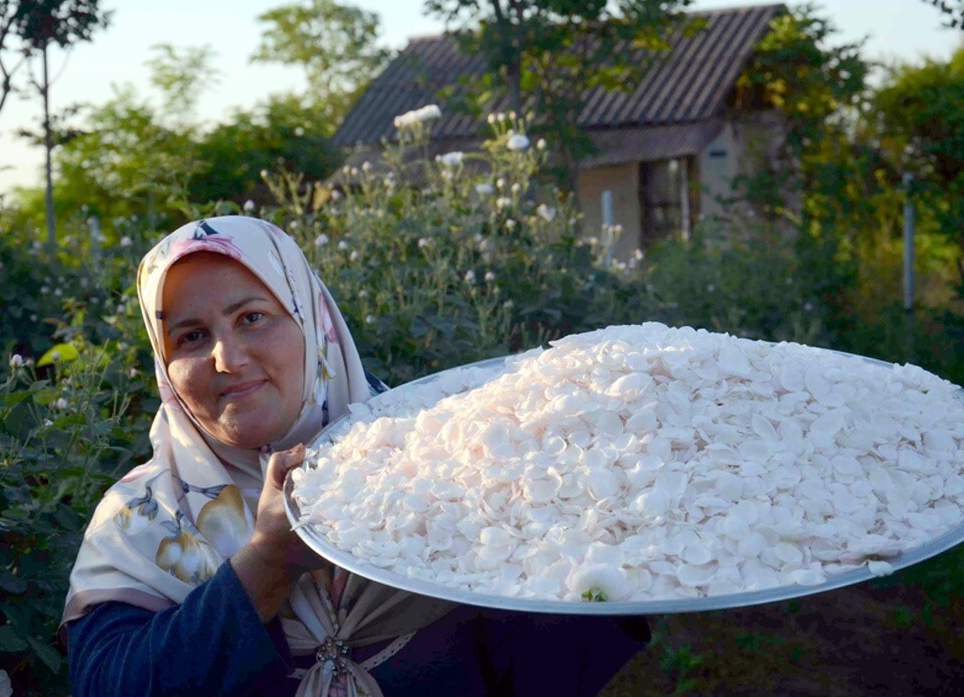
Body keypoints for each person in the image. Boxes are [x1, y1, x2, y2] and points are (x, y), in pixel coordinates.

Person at [61, 216, 649, 696]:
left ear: (314, 325)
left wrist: (600, 536)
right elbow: (109, 685)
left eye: (252, 318)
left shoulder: (440, 459)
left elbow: (542, 672)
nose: (228, 358)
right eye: (191, 336)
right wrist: (267, 562)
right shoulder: (142, 521)